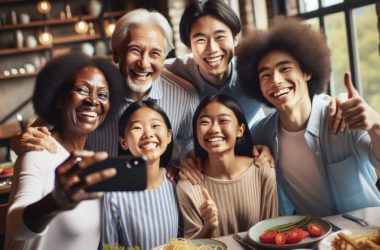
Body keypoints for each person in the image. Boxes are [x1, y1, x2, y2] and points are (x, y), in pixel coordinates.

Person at [11, 9, 199, 163]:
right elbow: (32, 135)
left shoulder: (183, 96)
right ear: (116, 54)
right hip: (94, 199)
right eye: (135, 50)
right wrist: (19, 141)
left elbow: (193, 148)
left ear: (164, 57)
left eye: (155, 53)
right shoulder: (91, 94)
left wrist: (181, 167)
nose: (144, 63)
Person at [237, 16, 380, 216]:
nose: (276, 80)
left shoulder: (340, 114)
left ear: (307, 72)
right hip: (311, 240)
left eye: (285, 68)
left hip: (366, 236)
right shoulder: (261, 133)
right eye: (265, 75)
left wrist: (375, 124)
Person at [5, 52, 125, 250]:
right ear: (59, 98)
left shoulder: (89, 160)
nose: (93, 101)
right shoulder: (38, 153)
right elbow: (17, 226)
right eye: (82, 90)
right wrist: (56, 201)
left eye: (102, 95)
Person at [176, 94, 278, 239]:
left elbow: (272, 235)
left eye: (223, 120)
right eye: (205, 122)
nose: (214, 129)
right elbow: (190, 247)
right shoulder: (188, 185)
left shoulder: (262, 170)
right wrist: (208, 227)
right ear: (196, 132)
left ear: (240, 130)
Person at [165, 0, 265, 129]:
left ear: (235, 39)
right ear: (189, 46)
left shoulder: (254, 72)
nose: (212, 49)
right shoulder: (171, 72)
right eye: (201, 40)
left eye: (220, 37)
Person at [102, 100, 179, 250]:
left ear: (169, 135)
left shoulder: (175, 182)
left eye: (155, 125)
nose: (148, 134)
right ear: (123, 142)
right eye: (137, 127)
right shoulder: (114, 192)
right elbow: (108, 245)